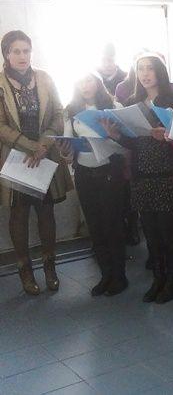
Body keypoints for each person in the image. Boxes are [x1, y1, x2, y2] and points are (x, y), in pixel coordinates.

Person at [102, 52, 173, 302]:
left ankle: (172, 280)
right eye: (141, 69)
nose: (145, 74)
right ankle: (158, 278)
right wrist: (116, 136)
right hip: (142, 175)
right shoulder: (133, 101)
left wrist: (168, 135)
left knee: (168, 231)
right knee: (150, 232)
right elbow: (133, 141)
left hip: (166, 173)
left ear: (159, 71)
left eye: (150, 68)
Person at [0, 30, 73, 295]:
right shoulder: (1, 83)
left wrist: (43, 145)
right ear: (6, 54)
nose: (22, 56)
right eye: (16, 51)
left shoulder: (44, 78)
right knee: (18, 214)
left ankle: (50, 267)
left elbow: (58, 113)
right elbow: (1, 125)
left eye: (26, 50)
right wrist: (30, 146)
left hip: (45, 154)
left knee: (46, 212)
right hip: (15, 157)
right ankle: (25, 270)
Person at [58, 72, 127, 296]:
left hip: (108, 172)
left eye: (89, 80)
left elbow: (124, 145)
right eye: (80, 81)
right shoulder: (71, 110)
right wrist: (66, 150)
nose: (85, 86)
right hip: (84, 173)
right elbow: (68, 144)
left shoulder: (113, 107)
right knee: (95, 226)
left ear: (97, 83)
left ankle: (119, 275)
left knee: (112, 224)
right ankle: (105, 274)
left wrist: (107, 138)